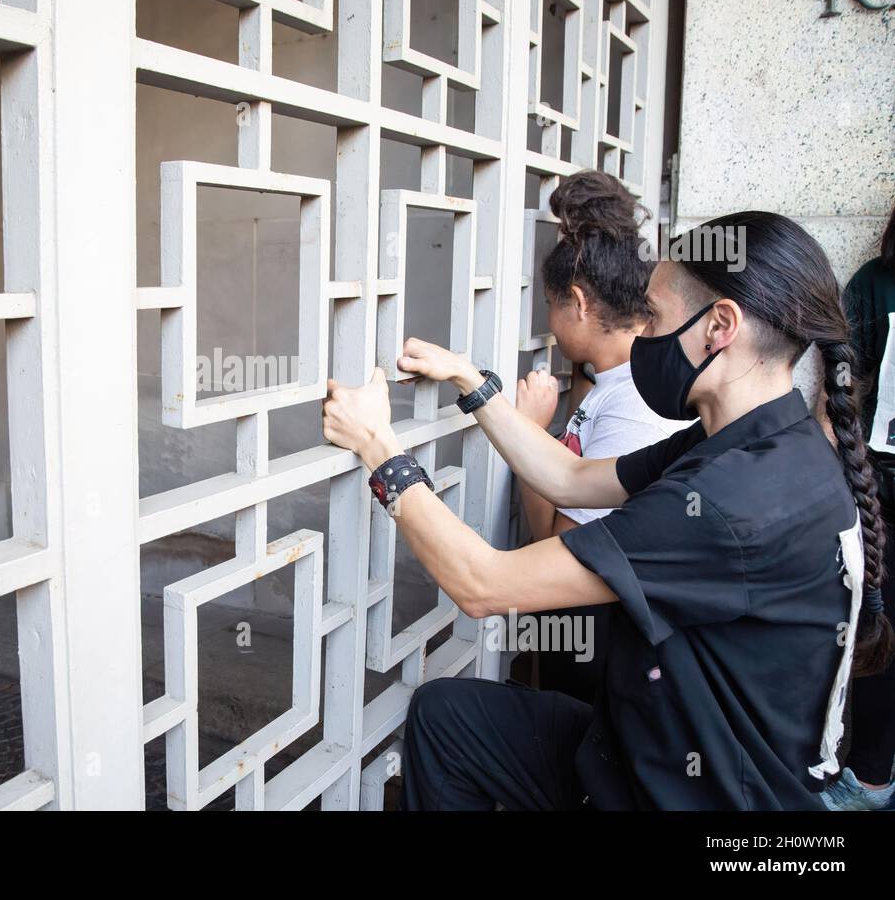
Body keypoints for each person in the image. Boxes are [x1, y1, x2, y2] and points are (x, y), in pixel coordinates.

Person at [322, 211, 893, 809]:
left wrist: (378, 447)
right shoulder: (759, 440)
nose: (640, 333)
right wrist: (474, 384)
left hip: (701, 797)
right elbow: (570, 478)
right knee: (449, 716)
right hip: (658, 742)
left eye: (654, 316)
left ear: (719, 325)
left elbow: (482, 584)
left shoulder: (733, 500)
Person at [514, 171, 688, 703]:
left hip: (598, 647)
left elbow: (557, 547)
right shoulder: (626, 379)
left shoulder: (634, 406)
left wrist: (529, 433)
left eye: (549, 303)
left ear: (579, 302)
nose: (548, 320)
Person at [820, 203, 895, 810]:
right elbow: (836, 394)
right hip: (882, 500)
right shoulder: (874, 285)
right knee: (880, 640)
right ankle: (869, 782)